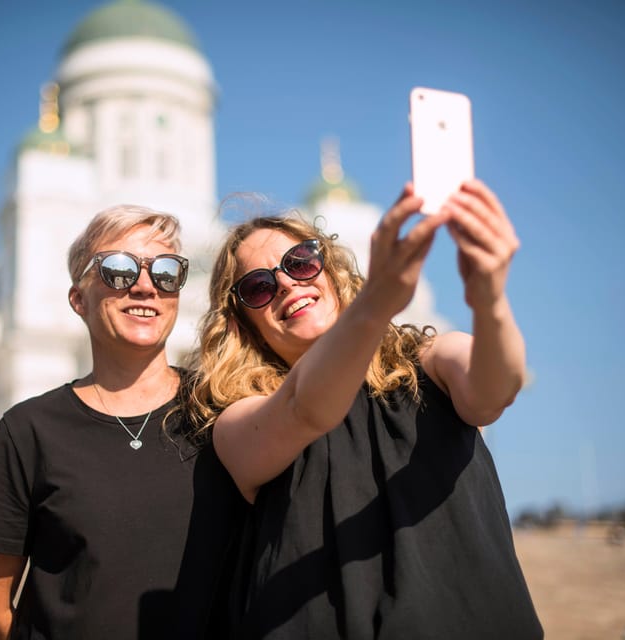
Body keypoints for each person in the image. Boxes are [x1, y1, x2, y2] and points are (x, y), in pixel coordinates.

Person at [188, 180, 543, 638]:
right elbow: (305, 409)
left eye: (300, 261)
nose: (287, 284)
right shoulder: (239, 421)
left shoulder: (426, 362)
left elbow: (495, 390)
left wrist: (489, 299)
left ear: (330, 270)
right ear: (242, 324)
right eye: (258, 286)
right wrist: (375, 305)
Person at [0, 205, 245, 639]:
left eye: (166, 272)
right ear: (79, 299)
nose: (146, 287)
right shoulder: (30, 431)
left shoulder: (220, 409)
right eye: (119, 270)